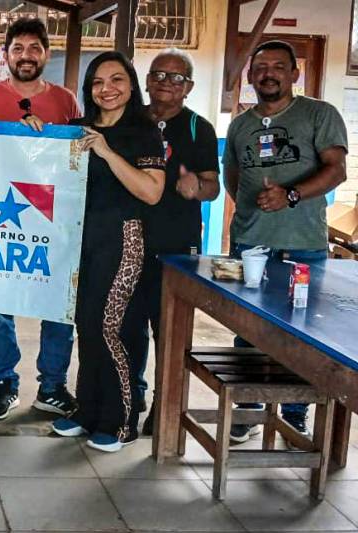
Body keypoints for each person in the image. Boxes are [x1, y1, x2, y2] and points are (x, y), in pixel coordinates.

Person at [224, 40, 348, 444]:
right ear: (250, 75)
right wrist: (254, 214)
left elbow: (337, 170)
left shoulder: (319, 114)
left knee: (302, 333)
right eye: (260, 67)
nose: (269, 74)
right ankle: (248, 410)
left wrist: (291, 195)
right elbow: (233, 178)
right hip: (250, 245)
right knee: (247, 331)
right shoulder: (240, 124)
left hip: (303, 246)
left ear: (294, 73)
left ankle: (295, 414)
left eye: (278, 66)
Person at [0, 17, 81, 421]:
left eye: (34, 48)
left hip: (51, 216)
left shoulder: (65, 101)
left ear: (46, 54)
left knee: (57, 303)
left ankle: (52, 386)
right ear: (6, 54)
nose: (26, 56)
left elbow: (76, 155)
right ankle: (5, 383)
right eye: (18, 48)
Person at [51, 51, 165, 452]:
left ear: (131, 85)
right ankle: (88, 411)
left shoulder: (143, 132)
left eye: (116, 79)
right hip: (80, 241)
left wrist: (107, 152)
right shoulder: (77, 129)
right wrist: (32, 132)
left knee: (111, 328)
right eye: (98, 82)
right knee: (86, 325)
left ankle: (121, 421)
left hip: (122, 240)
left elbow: (151, 192)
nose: (107, 89)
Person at [135, 48, 221, 435]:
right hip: (128, 239)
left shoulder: (199, 128)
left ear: (189, 86)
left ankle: (163, 403)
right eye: (158, 74)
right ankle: (131, 394)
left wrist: (196, 187)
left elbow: (213, 187)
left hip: (175, 246)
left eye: (176, 77)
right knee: (127, 325)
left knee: (167, 329)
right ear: (147, 81)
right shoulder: (131, 119)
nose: (165, 82)